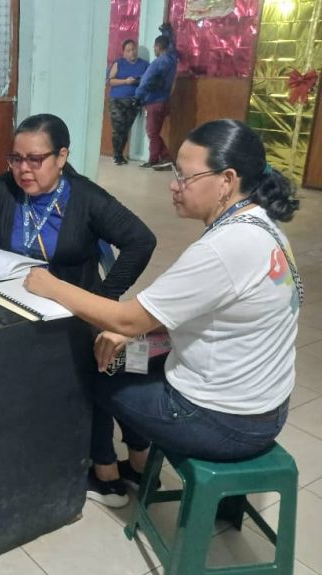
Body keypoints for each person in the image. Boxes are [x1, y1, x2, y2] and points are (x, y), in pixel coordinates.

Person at [23, 119, 301, 497]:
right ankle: (139, 464)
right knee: (131, 356)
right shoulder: (262, 224)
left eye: (185, 176)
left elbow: (127, 317)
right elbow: (189, 310)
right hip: (263, 407)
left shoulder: (225, 248)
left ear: (227, 180)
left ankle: (105, 472)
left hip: (224, 421)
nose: (174, 185)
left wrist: (51, 285)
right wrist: (131, 331)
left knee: (96, 370)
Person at [0, 113, 157, 507]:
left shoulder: (85, 197)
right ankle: (114, 465)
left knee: (113, 362)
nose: (23, 170)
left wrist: (106, 296)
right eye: (15, 159)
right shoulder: (5, 190)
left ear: (62, 157)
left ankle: (118, 467)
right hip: (22, 310)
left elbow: (141, 241)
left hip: (77, 309)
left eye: (35, 159)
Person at [136, 23, 178, 170]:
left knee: (152, 133)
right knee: (155, 132)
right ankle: (164, 158)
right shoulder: (172, 60)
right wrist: (167, 34)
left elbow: (146, 81)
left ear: (158, 47)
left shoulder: (157, 63)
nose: (154, 50)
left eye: (155, 47)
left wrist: (138, 97)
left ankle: (156, 159)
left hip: (153, 102)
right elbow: (170, 47)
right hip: (165, 101)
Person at [107, 39, 149, 165]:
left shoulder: (144, 65)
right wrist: (125, 81)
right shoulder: (119, 63)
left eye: (133, 49)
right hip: (117, 100)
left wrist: (138, 81)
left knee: (126, 128)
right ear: (124, 53)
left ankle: (120, 154)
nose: (132, 53)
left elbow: (149, 80)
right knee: (118, 127)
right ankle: (117, 155)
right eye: (128, 50)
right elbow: (110, 81)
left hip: (133, 101)